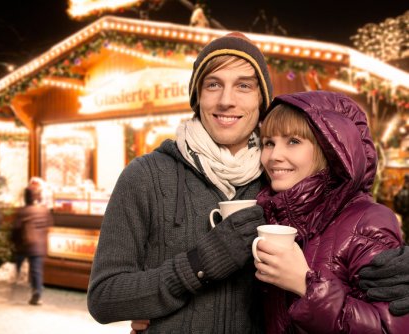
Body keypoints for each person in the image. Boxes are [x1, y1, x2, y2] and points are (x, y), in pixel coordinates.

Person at [87, 33, 409, 333]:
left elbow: (343, 223)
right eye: (213, 84)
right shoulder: (146, 176)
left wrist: (393, 270)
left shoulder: (281, 179)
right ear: (197, 97)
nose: (227, 100)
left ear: (261, 99)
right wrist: (199, 264)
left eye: (244, 86)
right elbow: (104, 297)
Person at [253, 91, 409, 332]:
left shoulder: (369, 221)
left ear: (330, 148)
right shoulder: (272, 213)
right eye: (268, 143)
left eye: (293, 141)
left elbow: (390, 328)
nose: (274, 156)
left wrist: (307, 287)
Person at [11, 187, 53, 305]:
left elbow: (16, 229)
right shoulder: (44, 210)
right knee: (36, 270)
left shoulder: (23, 211)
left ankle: (17, 280)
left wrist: (14, 241)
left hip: (26, 244)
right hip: (40, 245)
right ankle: (37, 292)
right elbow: (49, 224)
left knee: (21, 262)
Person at [393, 174, 409, 244]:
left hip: (405, 219)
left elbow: (397, 209)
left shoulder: (401, 193)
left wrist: (395, 196)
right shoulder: (402, 192)